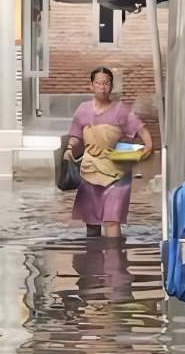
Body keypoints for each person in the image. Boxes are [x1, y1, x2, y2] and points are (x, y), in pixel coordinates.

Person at [64, 67, 155, 239]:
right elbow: (75, 136)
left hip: (117, 172)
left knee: (112, 221)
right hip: (90, 170)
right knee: (91, 224)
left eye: (106, 83)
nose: (102, 87)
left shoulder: (121, 110)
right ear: (91, 85)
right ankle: (92, 262)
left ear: (111, 86)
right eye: (98, 83)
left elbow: (141, 129)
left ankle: (115, 262)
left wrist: (148, 146)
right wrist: (69, 149)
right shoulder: (83, 110)